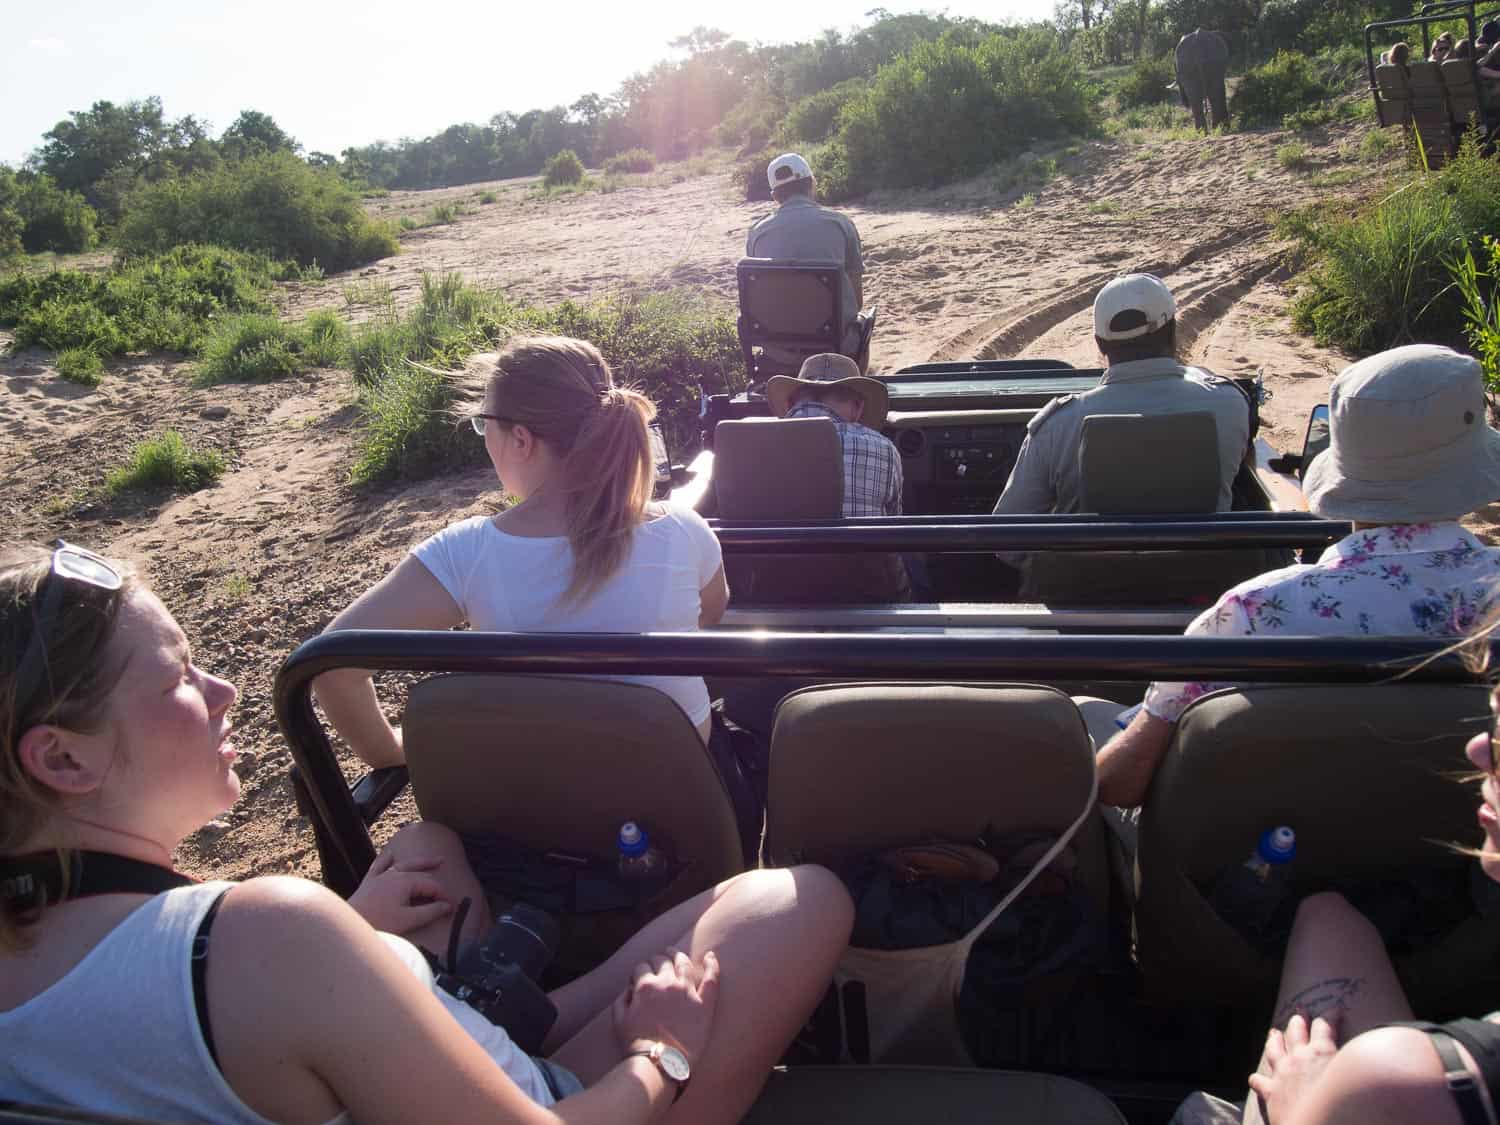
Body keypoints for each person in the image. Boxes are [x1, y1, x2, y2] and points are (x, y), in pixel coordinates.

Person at [0, 542, 855, 1123]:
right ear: (63, 761)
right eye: (178, 678)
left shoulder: (124, 956)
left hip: (431, 1075)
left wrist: (358, 951)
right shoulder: (262, 939)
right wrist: (660, 1051)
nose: (222, 688)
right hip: (565, 1102)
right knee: (800, 897)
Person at [1090, 344, 1500, 813]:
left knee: (1083, 720)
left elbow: (1120, 784)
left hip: (1274, 870)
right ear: (1472, 465)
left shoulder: (1254, 613)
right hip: (1476, 864)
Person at [315, 336, 729, 765]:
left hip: (530, 811)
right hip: (680, 802)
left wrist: (395, 751)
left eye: (483, 423)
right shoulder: (683, 528)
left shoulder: (464, 552)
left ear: (520, 440)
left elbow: (332, 666)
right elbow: (710, 613)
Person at [1173, 612, 1500, 1125]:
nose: (1478, 746)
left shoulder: (1389, 1083)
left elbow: (1120, 783)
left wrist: (1303, 1110)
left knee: (1324, 915)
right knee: (1328, 915)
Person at [992, 273, 1250, 522]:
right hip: (1209, 567)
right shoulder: (1229, 404)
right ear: (1173, 331)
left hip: (1085, 568)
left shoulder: (1058, 425)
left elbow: (1008, 534)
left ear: (1100, 344)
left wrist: (1053, 564)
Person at [745, 152, 868, 370]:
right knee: (865, 321)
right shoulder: (841, 224)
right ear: (811, 183)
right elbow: (857, 299)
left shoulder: (757, 232)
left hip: (778, 352)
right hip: (836, 349)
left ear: (775, 196)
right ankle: (859, 381)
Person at [766, 352, 903, 519]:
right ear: (858, 408)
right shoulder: (885, 450)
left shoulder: (754, 447)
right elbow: (894, 521)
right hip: (860, 546)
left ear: (789, 403)